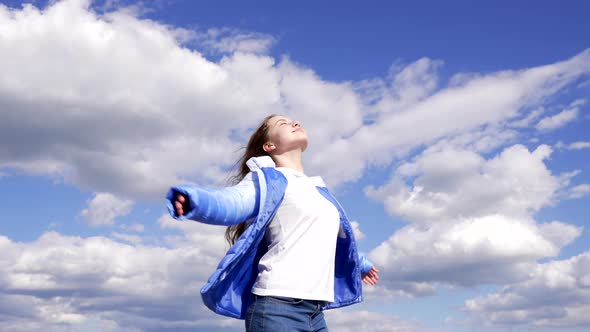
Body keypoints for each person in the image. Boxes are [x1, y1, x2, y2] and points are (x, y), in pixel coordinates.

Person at [166, 114, 379, 331]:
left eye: (294, 120)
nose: (295, 123)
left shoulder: (318, 190)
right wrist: (195, 200)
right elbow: (233, 203)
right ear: (269, 145)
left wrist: (360, 263)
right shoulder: (268, 181)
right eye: (283, 123)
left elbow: (325, 238)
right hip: (277, 309)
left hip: (315, 313)